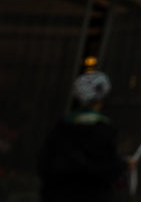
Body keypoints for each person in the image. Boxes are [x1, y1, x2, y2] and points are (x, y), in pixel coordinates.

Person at [37, 71, 131, 202]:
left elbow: (44, 163)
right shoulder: (103, 129)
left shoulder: (62, 126)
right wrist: (124, 165)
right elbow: (106, 167)